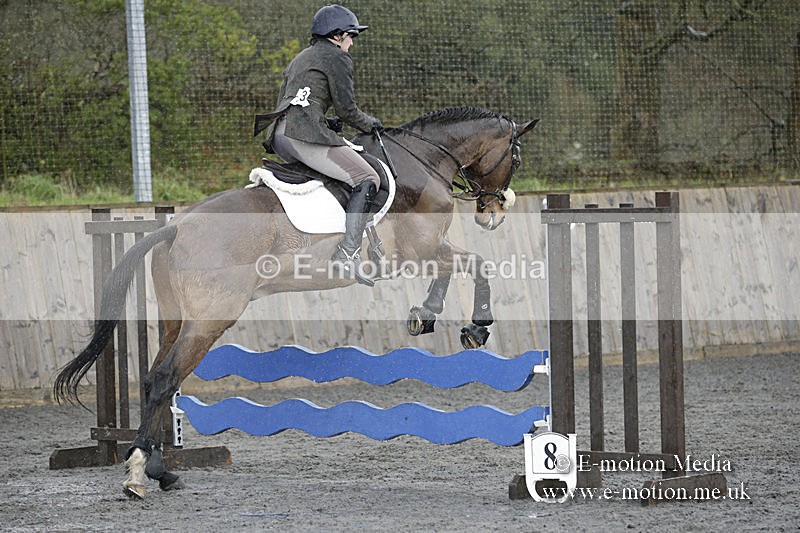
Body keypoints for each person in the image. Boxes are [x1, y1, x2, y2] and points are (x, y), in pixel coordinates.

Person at [256, 4, 383, 287]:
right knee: (367, 177)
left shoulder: (300, 57)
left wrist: (327, 124)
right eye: (351, 36)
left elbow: (299, 100)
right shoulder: (336, 57)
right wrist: (371, 123)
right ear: (337, 36)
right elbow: (348, 109)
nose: (352, 43)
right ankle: (347, 253)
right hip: (304, 136)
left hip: (281, 134)